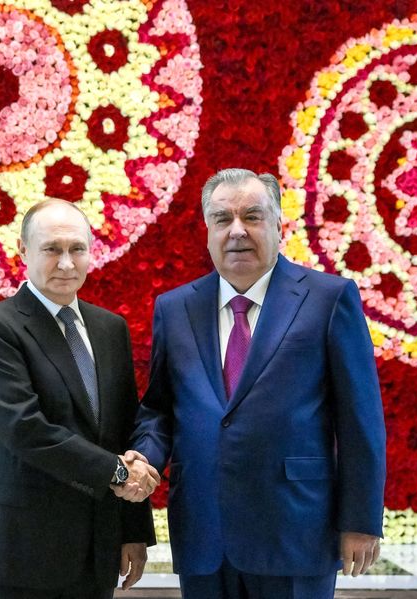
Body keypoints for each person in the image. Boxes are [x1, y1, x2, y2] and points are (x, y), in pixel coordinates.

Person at [128, 168, 387, 598]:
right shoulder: (175, 308)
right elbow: (159, 409)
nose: (237, 231)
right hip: (204, 533)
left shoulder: (328, 298)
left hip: (297, 531)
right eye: (222, 219)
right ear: (207, 230)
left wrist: (360, 520)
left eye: (252, 216)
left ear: (279, 225)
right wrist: (143, 458)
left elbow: (360, 419)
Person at [0, 199, 160, 599]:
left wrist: (133, 531)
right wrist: (119, 474)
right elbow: (25, 429)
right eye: (52, 249)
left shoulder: (109, 328)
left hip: (96, 553)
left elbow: (123, 430)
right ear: (23, 250)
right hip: (20, 554)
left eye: (77, 249)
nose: (67, 263)